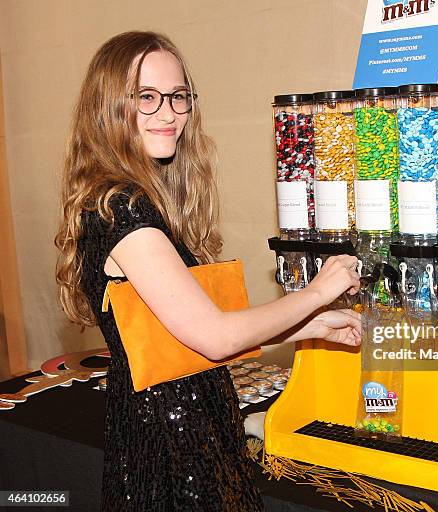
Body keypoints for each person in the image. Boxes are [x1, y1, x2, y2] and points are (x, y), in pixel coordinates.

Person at [54, 31, 361, 511]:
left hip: (193, 430)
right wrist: (317, 293)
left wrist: (308, 323)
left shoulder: (145, 201)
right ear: (109, 106)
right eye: (146, 98)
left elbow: (176, 337)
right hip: (169, 447)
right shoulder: (123, 208)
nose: (168, 114)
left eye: (178, 97)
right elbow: (215, 337)